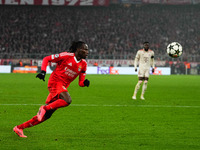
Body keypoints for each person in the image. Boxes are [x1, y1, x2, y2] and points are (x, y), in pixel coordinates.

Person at [13, 41, 90, 138]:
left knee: (46, 116)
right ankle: (43, 108)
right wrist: (43, 72)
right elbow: (47, 59)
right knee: (67, 100)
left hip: (60, 89)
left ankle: (19, 128)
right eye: (85, 49)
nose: (87, 52)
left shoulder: (83, 64)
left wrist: (85, 83)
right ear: (78, 49)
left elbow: (80, 83)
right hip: (55, 83)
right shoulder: (66, 56)